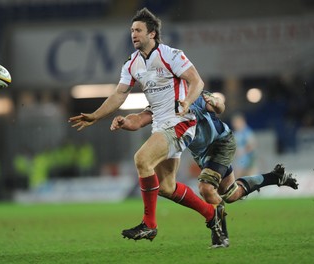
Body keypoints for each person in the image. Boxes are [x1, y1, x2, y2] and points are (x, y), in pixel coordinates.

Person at [69, 8, 221, 246]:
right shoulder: (132, 63)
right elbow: (119, 95)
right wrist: (96, 116)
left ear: (152, 33)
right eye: (131, 30)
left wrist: (187, 101)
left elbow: (197, 81)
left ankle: (149, 225)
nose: (133, 34)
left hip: (181, 122)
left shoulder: (171, 55)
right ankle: (213, 215)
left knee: (142, 159)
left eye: (138, 30)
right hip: (160, 125)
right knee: (167, 188)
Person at [110, 90, 299, 248]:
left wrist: (216, 103)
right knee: (230, 193)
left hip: (220, 143)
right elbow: (140, 120)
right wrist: (125, 122)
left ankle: (220, 235)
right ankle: (274, 177)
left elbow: (219, 107)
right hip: (202, 153)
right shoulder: (161, 104)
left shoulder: (192, 95)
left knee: (206, 188)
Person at [231, 112, 257, 178]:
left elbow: (252, 145)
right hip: (238, 161)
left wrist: (242, 151)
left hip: (248, 160)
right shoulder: (235, 133)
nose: (235, 124)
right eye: (234, 122)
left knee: (248, 178)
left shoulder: (247, 132)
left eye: (236, 122)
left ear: (242, 121)